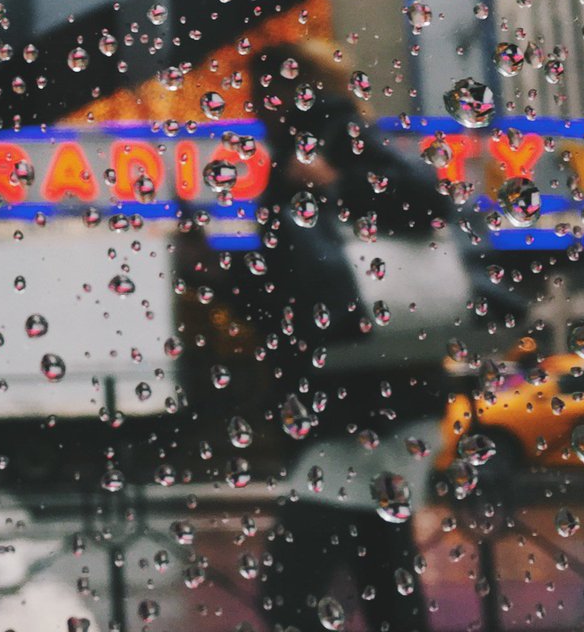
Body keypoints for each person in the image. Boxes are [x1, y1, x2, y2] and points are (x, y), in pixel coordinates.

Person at [186, 41, 460, 631]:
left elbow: (429, 202)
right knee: (384, 582)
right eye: (258, 90)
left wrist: (335, 180)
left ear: (302, 82)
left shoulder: (342, 137)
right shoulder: (282, 174)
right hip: (344, 393)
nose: (261, 102)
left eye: (272, 86)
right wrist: (210, 266)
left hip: (377, 399)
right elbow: (290, 301)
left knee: (294, 589)